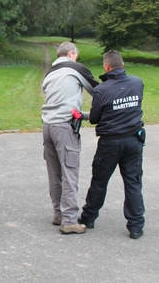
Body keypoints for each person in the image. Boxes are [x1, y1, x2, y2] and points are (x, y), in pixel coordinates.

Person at [78, 50, 145, 239]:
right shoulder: (137, 83)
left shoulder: (101, 90)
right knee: (133, 182)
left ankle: (88, 217)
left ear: (106, 67)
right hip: (133, 140)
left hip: (110, 143)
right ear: (122, 65)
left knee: (99, 181)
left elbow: (95, 118)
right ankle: (136, 226)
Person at [41, 41, 99, 234]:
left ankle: (58, 213)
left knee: (55, 173)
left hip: (48, 125)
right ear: (72, 53)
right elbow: (99, 92)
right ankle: (70, 220)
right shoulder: (76, 68)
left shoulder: (50, 73)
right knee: (70, 172)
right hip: (65, 126)